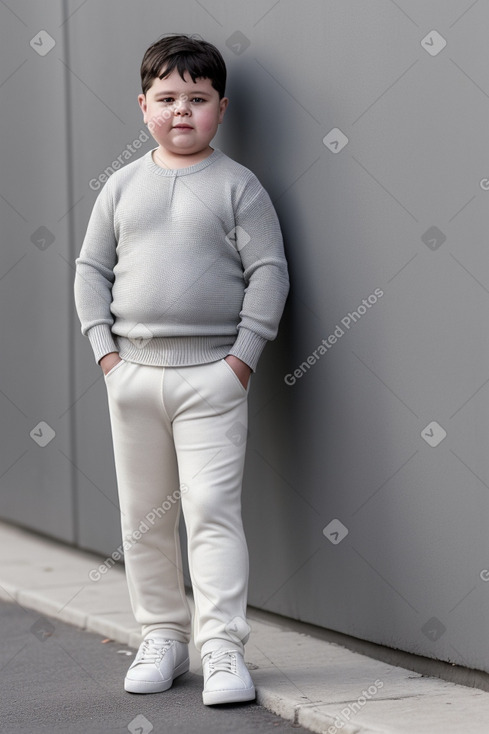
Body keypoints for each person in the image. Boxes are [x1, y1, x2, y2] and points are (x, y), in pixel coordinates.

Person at [74, 33, 289, 706]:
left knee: (211, 512)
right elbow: (89, 271)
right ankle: (162, 637)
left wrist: (240, 362)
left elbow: (269, 275)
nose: (180, 112)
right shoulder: (120, 186)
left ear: (219, 109)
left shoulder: (238, 187)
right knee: (143, 518)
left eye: (196, 100)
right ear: (143, 106)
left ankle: (221, 646)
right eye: (166, 99)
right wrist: (106, 355)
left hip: (213, 383)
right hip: (132, 378)